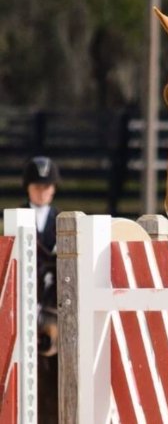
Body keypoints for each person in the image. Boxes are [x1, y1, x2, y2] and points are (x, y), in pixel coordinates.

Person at [22, 155, 61, 421]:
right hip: (23, 293)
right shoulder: (13, 218)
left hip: (52, 300)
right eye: (37, 186)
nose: (42, 191)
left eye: (46, 187)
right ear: (28, 188)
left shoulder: (61, 221)